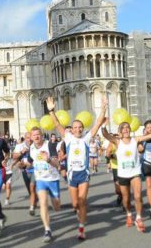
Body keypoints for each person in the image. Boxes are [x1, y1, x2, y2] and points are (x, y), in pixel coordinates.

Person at [47, 96, 107, 240]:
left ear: (83, 129)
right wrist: (51, 110)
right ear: (72, 130)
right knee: (75, 204)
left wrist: (104, 108)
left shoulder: (87, 138)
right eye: (75, 128)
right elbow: (56, 124)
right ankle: (79, 213)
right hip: (72, 175)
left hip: (84, 174)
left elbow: (98, 124)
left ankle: (81, 229)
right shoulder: (68, 137)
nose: (78, 129)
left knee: (81, 201)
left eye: (80, 127)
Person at [101, 117, 151, 233]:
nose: (126, 129)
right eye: (123, 128)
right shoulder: (117, 141)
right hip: (122, 174)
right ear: (120, 131)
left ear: (130, 130)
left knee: (137, 196)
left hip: (135, 173)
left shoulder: (136, 140)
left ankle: (138, 218)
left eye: (127, 127)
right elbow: (106, 135)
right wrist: (103, 125)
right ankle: (128, 214)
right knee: (126, 199)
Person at [28, 126, 61, 242]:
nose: (36, 137)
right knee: (43, 203)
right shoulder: (31, 148)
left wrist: (48, 160)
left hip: (53, 179)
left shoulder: (50, 145)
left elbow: (57, 164)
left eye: (38, 134)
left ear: (42, 135)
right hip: (40, 179)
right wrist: (20, 165)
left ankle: (55, 204)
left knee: (56, 207)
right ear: (31, 137)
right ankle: (47, 230)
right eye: (34, 135)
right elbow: (29, 162)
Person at [12, 132, 37, 216]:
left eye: (30, 137)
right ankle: (34, 201)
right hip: (25, 171)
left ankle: (32, 207)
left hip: (35, 170)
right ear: (25, 138)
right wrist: (21, 152)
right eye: (27, 137)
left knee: (32, 187)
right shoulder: (20, 146)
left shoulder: (36, 145)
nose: (29, 139)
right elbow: (14, 156)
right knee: (30, 190)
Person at [105, 135, 123, 208]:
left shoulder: (124, 143)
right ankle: (120, 195)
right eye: (116, 138)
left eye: (118, 137)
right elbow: (107, 154)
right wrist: (112, 158)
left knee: (125, 185)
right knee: (117, 189)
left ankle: (125, 202)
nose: (117, 139)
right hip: (116, 167)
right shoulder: (111, 144)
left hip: (125, 167)